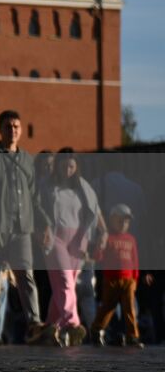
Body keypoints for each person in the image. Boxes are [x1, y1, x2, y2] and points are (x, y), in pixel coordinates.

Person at [0, 109, 54, 345]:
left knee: (26, 276)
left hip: (22, 229)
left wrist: (44, 222)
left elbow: (34, 197)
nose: (13, 130)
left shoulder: (27, 160)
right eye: (8, 126)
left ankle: (34, 324)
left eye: (16, 127)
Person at [41, 148, 104, 346]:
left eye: (71, 166)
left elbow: (95, 212)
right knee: (65, 281)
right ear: (57, 166)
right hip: (55, 239)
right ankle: (73, 323)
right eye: (64, 166)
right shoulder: (47, 186)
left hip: (78, 240)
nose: (67, 170)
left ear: (76, 168)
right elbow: (37, 209)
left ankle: (51, 326)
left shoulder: (83, 187)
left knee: (63, 286)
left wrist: (100, 234)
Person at [91, 204, 144, 348]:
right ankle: (96, 330)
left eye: (126, 221)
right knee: (108, 307)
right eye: (120, 220)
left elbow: (135, 260)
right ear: (112, 219)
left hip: (129, 280)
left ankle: (133, 336)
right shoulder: (108, 238)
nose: (123, 224)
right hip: (111, 279)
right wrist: (97, 249)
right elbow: (99, 256)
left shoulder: (131, 239)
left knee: (130, 309)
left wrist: (135, 277)